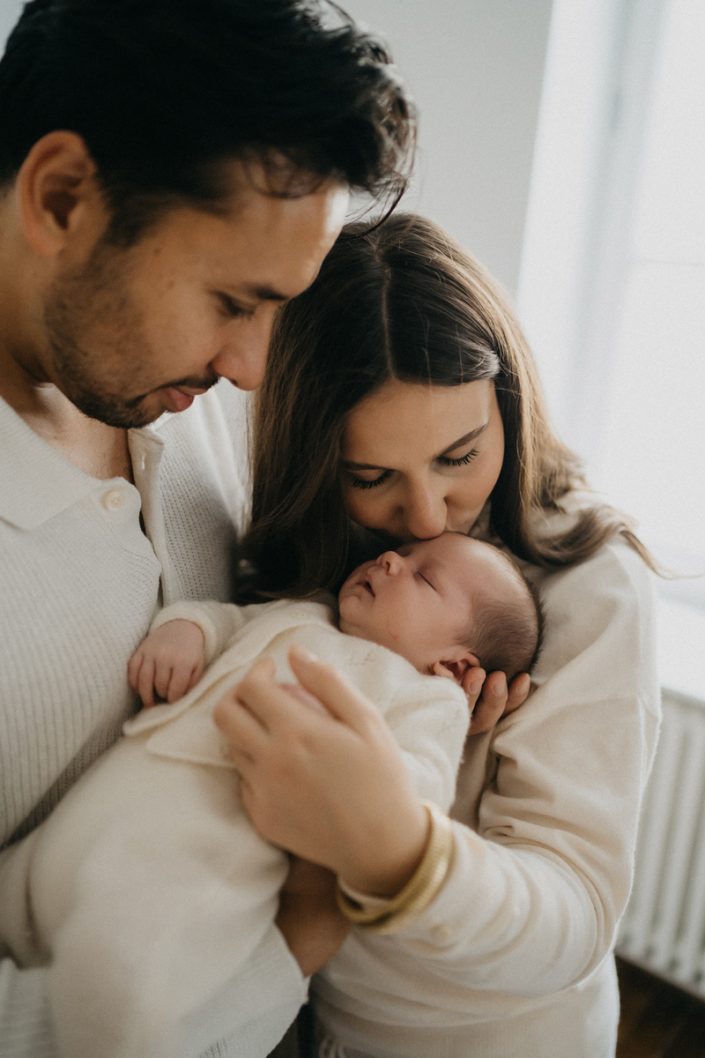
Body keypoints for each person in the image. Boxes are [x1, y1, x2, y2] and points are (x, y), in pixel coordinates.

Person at [0, 2, 420, 1055]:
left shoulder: (174, 398)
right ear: (63, 197)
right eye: (235, 300)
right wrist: (303, 929)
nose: (253, 367)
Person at [214, 213, 663, 1058]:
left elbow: (574, 914)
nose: (421, 517)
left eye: (459, 457)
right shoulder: (319, 558)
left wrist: (398, 845)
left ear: (509, 406)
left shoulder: (590, 582)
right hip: (328, 1023)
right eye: (370, 477)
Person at [0, 534, 542, 1058]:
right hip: (100, 811)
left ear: (455, 667)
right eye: (400, 552)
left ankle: (111, 1028)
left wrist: (358, 774)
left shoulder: (429, 701)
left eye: (423, 577)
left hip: (196, 861)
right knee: (25, 879)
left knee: (123, 973)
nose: (390, 561)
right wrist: (187, 628)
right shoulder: (308, 613)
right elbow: (228, 619)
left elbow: (413, 795)